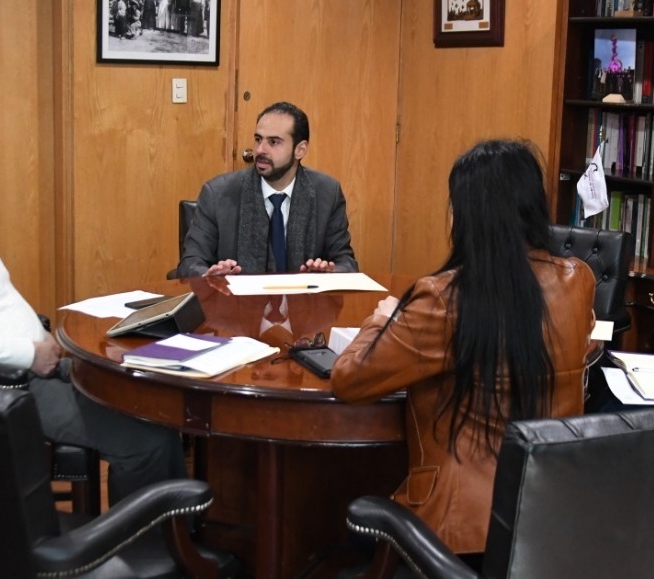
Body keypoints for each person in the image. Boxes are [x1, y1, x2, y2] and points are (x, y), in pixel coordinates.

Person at [0, 109, 187, 504]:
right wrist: (30, 352)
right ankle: (149, 553)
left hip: (29, 370)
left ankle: (183, 537)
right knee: (148, 441)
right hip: (0, 388)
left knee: (150, 398)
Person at [331, 139, 597, 556]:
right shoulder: (577, 280)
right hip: (551, 518)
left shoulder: (444, 298)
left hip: (460, 532)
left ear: (469, 216)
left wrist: (381, 320)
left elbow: (349, 379)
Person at [176, 101, 358, 278]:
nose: (260, 149)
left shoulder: (327, 192)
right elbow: (190, 263)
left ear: (300, 150)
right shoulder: (217, 193)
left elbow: (347, 263)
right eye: (258, 139)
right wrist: (208, 276)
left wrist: (332, 273)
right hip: (235, 305)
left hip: (305, 305)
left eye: (274, 142)